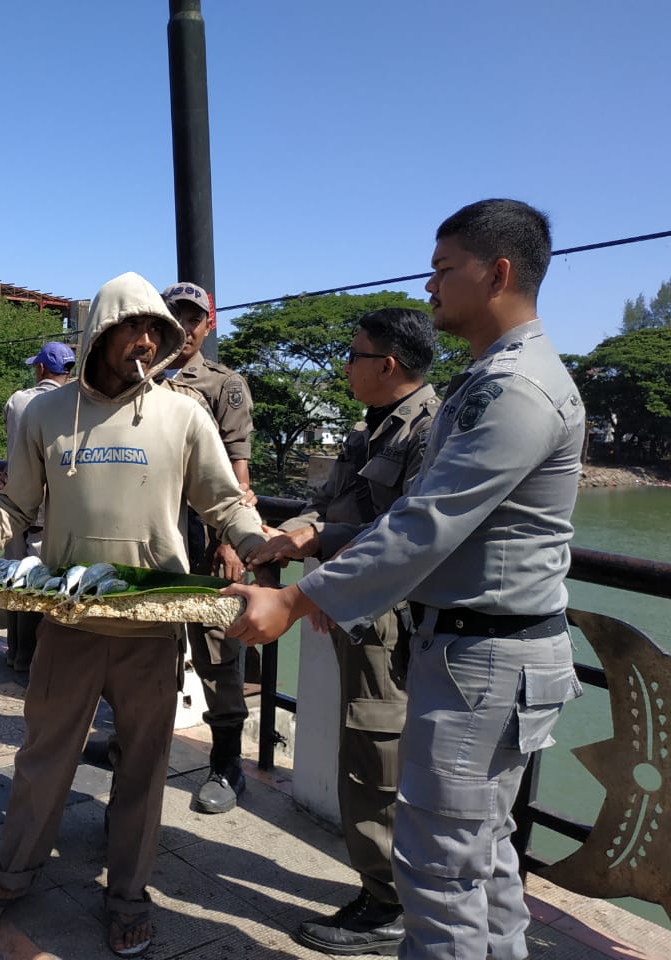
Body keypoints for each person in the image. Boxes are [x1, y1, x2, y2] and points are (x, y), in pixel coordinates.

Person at [229, 200, 586, 960]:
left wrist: (296, 599)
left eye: (443, 268)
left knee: (440, 879)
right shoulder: (490, 379)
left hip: (484, 664)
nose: (429, 286)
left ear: (497, 273)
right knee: (482, 869)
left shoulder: (513, 389)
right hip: (478, 654)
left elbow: (427, 523)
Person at [0, 272, 268, 957]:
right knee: (43, 761)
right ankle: (9, 877)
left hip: (152, 626)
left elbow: (224, 502)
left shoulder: (184, 414)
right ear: (100, 333)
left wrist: (259, 543)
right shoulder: (42, 414)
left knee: (144, 768)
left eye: (158, 330)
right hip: (67, 622)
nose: (149, 340)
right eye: (135, 327)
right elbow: (15, 508)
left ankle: (127, 893)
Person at [245, 308, 439, 955]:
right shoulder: (370, 431)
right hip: (359, 615)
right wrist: (299, 534)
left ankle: (389, 906)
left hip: (398, 626)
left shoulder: (430, 431)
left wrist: (315, 545)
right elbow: (332, 506)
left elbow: (408, 537)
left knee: (379, 763)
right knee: (363, 758)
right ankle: (380, 889)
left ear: (387, 365)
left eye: (355, 356)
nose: (346, 366)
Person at [160, 281, 258, 814]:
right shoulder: (142, 381)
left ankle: (226, 764)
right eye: (174, 317)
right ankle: (136, 744)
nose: (184, 328)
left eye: (193, 319)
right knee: (151, 650)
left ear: (208, 323)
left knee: (218, 653)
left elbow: (238, 477)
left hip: (205, 540)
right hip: (156, 539)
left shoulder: (223, 385)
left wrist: (229, 541)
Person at [0, 340, 75, 673]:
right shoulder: (73, 406)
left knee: (14, 575)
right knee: (40, 581)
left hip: (16, 501)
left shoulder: (18, 400)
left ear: (42, 368)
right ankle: (31, 658)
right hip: (53, 506)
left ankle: (15, 653)